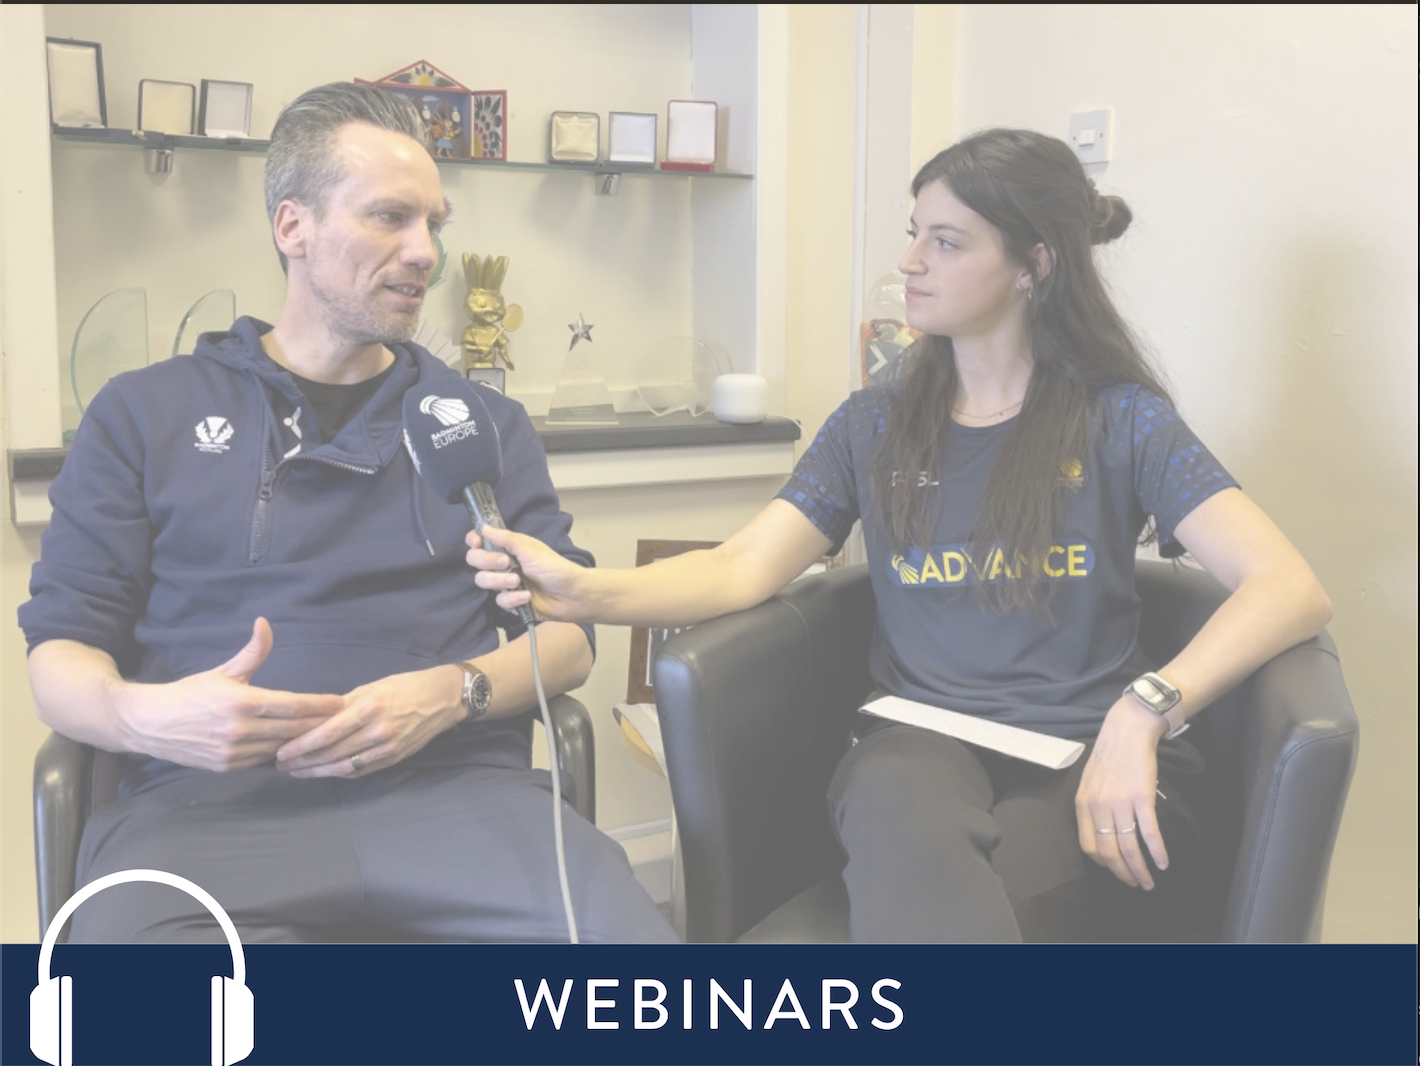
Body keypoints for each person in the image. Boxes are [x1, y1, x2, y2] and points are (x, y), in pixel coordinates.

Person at [468, 128, 1333, 943]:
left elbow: (1288, 588)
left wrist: (1143, 713)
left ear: (1034, 264)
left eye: (946, 243)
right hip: (916, 740)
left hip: (1086, 746)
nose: (910, 261)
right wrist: (583, 591)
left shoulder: (1121, 420)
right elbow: (741, 568)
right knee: (891, 802)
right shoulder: (872, 425)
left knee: (964, 913)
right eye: (914, 234)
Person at [19, 81, 676, 945]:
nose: (425, 253)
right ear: (292, 227)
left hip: (461, 802)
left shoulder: (479, 422)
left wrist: (456, 691)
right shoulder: (144, 413)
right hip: (206, 817)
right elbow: (61, 652)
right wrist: (148, 717)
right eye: (390, 218)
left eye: (434, 224)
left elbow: (568, 638)